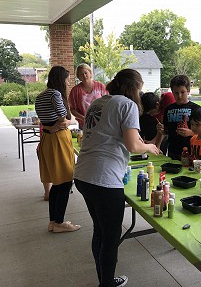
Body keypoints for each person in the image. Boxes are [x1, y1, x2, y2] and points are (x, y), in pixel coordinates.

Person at [73, 69, 160, 287]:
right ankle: (107, 284)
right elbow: (133, 146)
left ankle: (105, 279)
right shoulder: (128, 105)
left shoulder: (99, 102)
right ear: (134, 88)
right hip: (104, 178)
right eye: (139, 89)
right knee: (110, 239)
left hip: (83, 174)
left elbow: (109, 133)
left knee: (100, 232)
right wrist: (149, 146)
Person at [35, 66, 80, 233]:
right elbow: (64, 119)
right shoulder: (55, 94)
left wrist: (54, 125)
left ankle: (53, 221)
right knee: (65, 181)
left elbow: (45, 121)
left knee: (57, 182)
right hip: (58, 140)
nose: (68, 82)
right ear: (61, 79)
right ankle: (60, 223)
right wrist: (71, 120)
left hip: (47, 138)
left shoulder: (41, 96)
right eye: (67, 79)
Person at [161, 75, 200, 160]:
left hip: (191, 151)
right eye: (176, 93)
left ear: (188, 91)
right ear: (172, 92)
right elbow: (166, 130)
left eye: (183, 92)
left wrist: (190, 132)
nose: (179, 96)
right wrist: (161, 130)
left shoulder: (196, 109)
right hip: (173, 151)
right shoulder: (168, 109)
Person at [68, 63, 107, 129]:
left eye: (86, 73)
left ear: (90, 73)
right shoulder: (75, 90)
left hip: (101, 122)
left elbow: (108, 102)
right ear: (78, 76)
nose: (84, 75)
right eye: (81, 74)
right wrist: (83, 118)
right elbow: (72, 109)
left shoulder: (100, 86)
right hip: (84, 124)